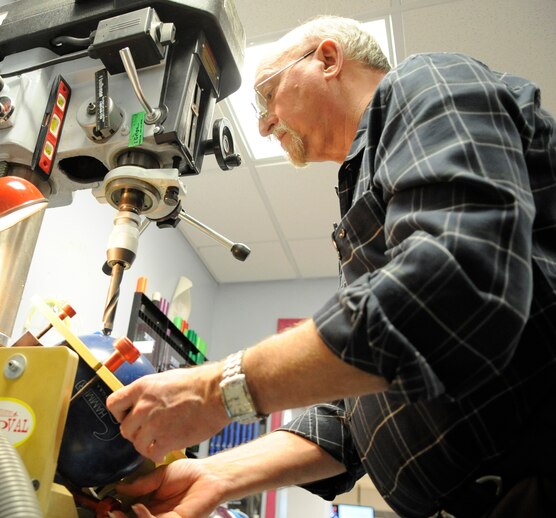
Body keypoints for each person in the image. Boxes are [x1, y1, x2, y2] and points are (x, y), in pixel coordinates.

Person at [106, 14, 556, 518]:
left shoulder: (424, 83)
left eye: (267, 96)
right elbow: (354, 414)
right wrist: (217, 474)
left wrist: (216, 391)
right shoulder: (364, 190)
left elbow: (454, 285)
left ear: (327, 59)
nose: (262, 123)